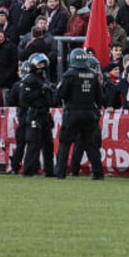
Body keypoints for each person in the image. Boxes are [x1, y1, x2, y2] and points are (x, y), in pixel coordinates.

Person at [54, 49, 105, 180]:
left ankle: (60, 172)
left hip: (72, 112)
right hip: (89, 113)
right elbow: (99, 97)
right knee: (90, 144)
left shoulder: (69, 75)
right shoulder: (93, 75)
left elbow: (60, 94)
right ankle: (98, 173)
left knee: (65, 143)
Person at [19, 53, 56, 177]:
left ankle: (49, 170)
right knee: (33, 143)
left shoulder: (44, 79)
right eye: (40, 64)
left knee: (48, 143)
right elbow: (24, 98)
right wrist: (40, 91)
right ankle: (28, 170)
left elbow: (51, 98)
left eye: (44, 64)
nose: (42, 66)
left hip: (45, 113)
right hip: (34, 113)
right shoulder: (29, 79)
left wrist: (50, 90)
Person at [7, 62, 31, 174]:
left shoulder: (17, 85)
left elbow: (10, 101)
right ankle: (32, 166)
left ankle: (15, 166)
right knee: (34, 143)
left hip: (22, 114)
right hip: (34, 114)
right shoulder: (36, 83)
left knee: (21, 143)